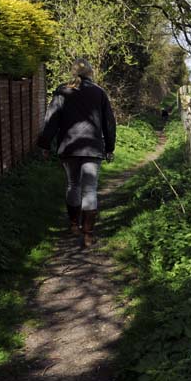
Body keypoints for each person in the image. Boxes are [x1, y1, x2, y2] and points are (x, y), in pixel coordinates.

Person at [37, 58, 116, 247]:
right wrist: (109, 147)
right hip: (92, 148)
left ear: (73, 72)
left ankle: (73, 225)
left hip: (68, 147)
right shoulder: (99, 93)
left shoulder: (62, 91)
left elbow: (51, 120)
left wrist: (45, 145)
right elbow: (109, 123)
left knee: (73, 185)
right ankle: (88, 235)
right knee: (90, 190)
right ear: (90, 72)